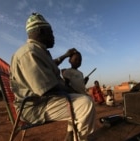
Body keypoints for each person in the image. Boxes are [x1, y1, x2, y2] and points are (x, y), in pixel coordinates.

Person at [9, 12, 96, 141]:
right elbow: (49, 89)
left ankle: (74, 136)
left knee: (80, 99)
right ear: (41, 31)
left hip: (42, 102)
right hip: (34, 108)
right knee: (85, 103)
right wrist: (73, 91)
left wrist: (65, 55)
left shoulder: (37, 51)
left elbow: (51, 65)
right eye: (51, 32)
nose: (54, 37)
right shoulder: (30, 53)